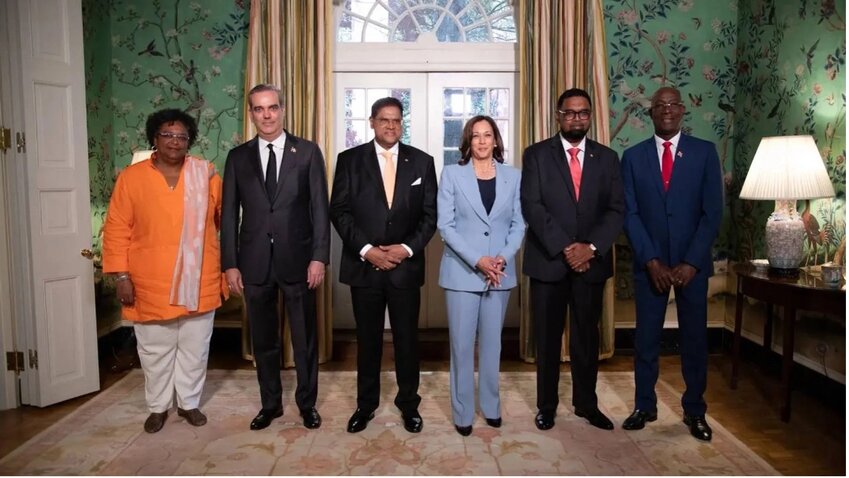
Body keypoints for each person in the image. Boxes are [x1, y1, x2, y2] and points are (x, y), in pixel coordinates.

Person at [102, 109, 224, 433]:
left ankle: (188, 404)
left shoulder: (207, 176)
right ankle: (158, 407)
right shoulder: (132, 178)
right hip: (149, 279)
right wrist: (122, 276)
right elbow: (116, 228)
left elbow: (224, 220)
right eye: (167, 135)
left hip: (199, 278)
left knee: (195, 348)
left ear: (190, 141)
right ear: (154, 137)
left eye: (182, 136)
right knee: (155, 349)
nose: (174, 141)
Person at [220, 84, 329, 431]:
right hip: (253, 263)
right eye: (259, 109)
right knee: (264, 340)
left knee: (304, 340)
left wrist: (319, 258)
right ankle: (271, 405)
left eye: (272, 108)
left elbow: (320, 211)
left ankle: (307, 404)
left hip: (298, 260)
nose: (266, 115)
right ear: (251, 113)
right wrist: (230, 263)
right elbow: (228, 217)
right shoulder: (238, 157)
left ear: (283, 110)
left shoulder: (308, 152)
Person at [620, 86, 723, 441]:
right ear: (651, 113)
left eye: (672, 105)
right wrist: (651, 260)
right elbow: (629, 214)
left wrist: (691, 263)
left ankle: (694, 410)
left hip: (691, 267)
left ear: (682, 110)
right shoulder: (632, 157)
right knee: (646, 340)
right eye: (659, 105)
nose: (666, 110)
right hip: (651, 267)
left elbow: (712, 214)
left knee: (694, 340)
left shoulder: (705, 153)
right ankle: (644, 405)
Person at [329, 97, 437, 434]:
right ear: (372, 122)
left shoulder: (422, 162)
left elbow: (430, 215)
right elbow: (339, 210)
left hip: (405, 267)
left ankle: (409, 405)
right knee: (369, 341)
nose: (391, 126)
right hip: (365, 267)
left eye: (396, 120)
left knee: (407, 341)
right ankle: (366, 405)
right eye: (384, 120)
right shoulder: (349, 160)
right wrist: (367, 250)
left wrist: (405, 249)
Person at [521, 88, 625, 431]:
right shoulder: (536, 155)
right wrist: (568, 247)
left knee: (585, 339)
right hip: (549, 262)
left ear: (590, 116)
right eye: (570, 112)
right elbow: (532, 207)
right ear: (558, 115)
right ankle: (546, 406)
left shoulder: (608, 158)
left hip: (590, 264)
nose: (576, 118)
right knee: (548, 340)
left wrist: (590, 248)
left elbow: (615, 210)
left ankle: (586, 404)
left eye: (583, 113)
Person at [437, 116, 525, 436]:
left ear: (496, 140)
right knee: (461, 346)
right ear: (468, 141)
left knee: (492, 345)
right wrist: (479, 260)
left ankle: (491, 406)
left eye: (488, 135)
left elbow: (519, 225)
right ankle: (462, 412)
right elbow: (445, 226)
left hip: (499, 275)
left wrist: (500, 258)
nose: (483, 141)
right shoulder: (451, 174)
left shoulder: (513, 177)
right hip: (462, 273)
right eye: (476, 136)